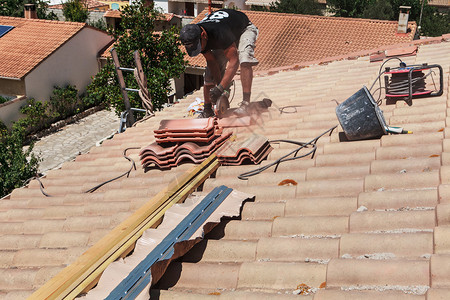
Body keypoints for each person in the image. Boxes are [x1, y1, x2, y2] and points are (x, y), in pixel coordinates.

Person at [180, 9, 259, 118]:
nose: (199, 49)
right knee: (209, 74)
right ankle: (207, 110)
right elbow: (212, 62)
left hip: (243, 30)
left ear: (203, 35)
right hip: (224, 36)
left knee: (244, 59)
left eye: (198, 46)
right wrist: (220, 88)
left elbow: (234, 61)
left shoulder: (219, 31)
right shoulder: (195, 35)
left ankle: (246, 103)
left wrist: (220, 88)